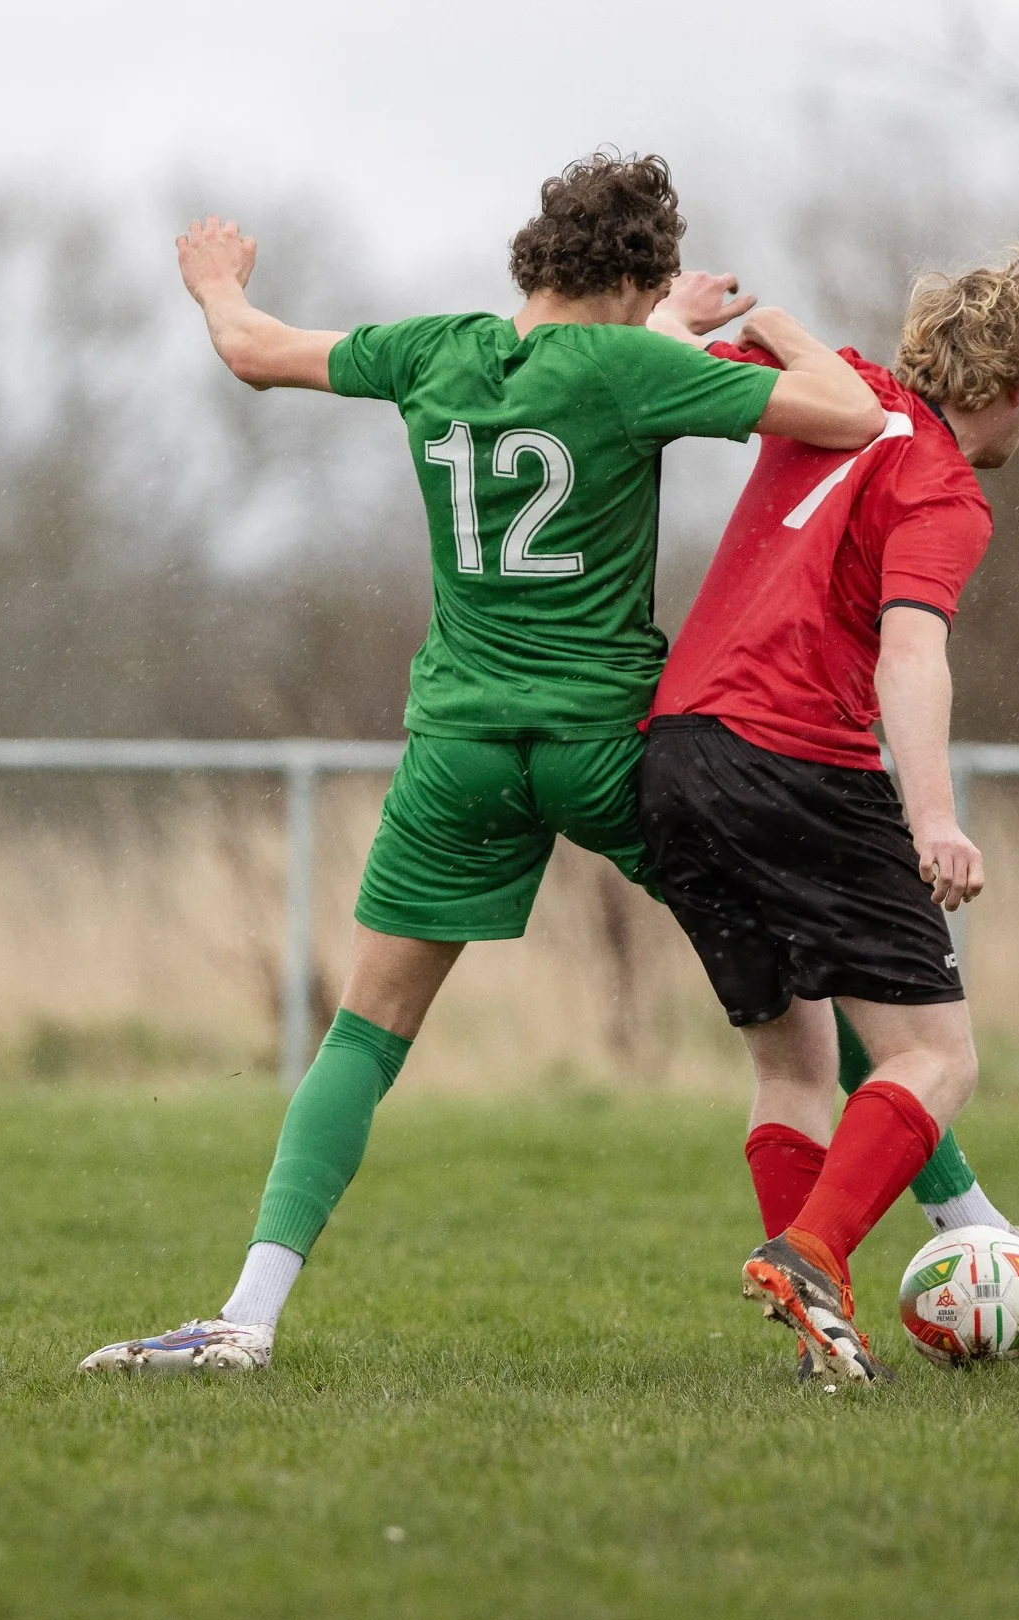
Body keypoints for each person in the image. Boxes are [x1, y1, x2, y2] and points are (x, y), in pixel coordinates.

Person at [81, 152, 887, 1373]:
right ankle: (937, 1239)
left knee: (364, 1034)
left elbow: (250, 349)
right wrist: (754, 326)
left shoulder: (432, 352)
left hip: (459, 748)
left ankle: (244, 1316)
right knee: (822, 991)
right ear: (631, 278)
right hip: (609, 751)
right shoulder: (633, 365)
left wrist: (213, 283)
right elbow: (843, 417)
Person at [638, 246, 1019, 1382]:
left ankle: (817, 1329)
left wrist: (673, 316)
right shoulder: (944, 488)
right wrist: (934, 817)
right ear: (1014, 392)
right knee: (934, 1058)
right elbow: (910, 653)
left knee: (795, 1066)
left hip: (674, 761)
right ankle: (809, 1252)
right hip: (795, 758)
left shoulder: (842, 390)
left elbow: (687, 362)